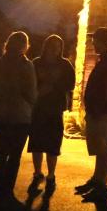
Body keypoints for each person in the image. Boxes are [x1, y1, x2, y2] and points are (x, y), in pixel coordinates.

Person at [75, 27, 107, 203]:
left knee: (104, 148)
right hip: (100, 110)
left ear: (102, 41)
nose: (92, 44)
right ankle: (97, 180)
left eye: (94, 40)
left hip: (103, 111)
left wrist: (96, 110)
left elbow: (105, 89)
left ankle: (101, 186)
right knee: (101, 148)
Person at [26, 34, 76, 196]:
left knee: (53, 144)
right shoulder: (36, 63)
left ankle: (51, 174)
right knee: (37, 142)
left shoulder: (65, 64)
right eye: (52, 45)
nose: (54, 49)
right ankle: (37, 172)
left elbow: (70, 84)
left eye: (58, 46)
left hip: (55, 109)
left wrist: (53, 85)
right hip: (39, 108)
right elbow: (29, 82)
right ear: (46, 46)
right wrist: (40, 89)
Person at [0, 31, 37, 202]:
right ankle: (7, 190)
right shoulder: (26, 65)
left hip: (2, 113)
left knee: (2, 151)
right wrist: (33, 103)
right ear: (25, 45)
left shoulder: (0, 63)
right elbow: (31, 92)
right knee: (15, 154)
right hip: (20, 115)